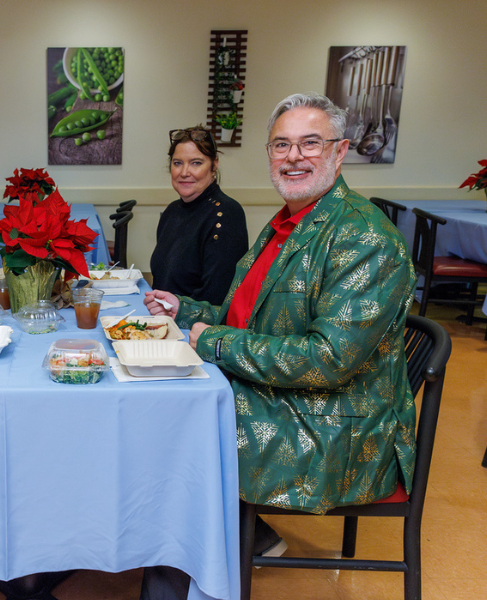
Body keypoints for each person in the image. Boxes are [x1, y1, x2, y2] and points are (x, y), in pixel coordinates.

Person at [142, 93, 416, 599]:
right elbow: (246, 316)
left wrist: (217, 342)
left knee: (172, 430)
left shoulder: (363, 236)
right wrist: (189, 311)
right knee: (158, 406)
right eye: (282, 145)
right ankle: (169, 562)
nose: (294, 156)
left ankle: (179, 578)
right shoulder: (288, 222)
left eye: (310, 143)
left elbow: (326, 360)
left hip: (335, 424)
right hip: (294, 397)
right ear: (269, 155)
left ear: (340, 152)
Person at [149, 126, 248, 304]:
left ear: (214, 165)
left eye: (196, 163)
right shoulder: (172, 212)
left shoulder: (226, 214)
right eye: (178, 163)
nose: (184, 172)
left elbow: (218, 298)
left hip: (195, 328)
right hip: (163, 322)